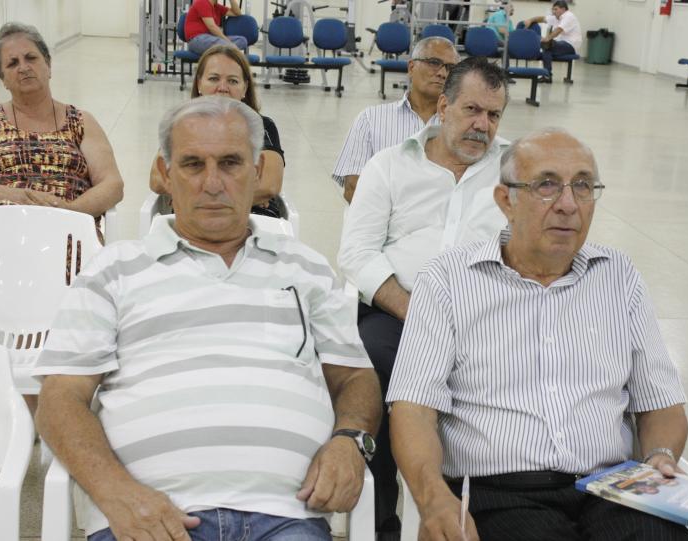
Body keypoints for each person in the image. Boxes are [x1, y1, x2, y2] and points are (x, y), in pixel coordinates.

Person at [34, 96, 383, 541]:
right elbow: (60, 399)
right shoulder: (113, 269)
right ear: (165, 174)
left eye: (230, 163)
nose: (213, 183)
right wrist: (116, 493)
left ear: (257, 171)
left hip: (286, 515)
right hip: (152, 519)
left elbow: (354, 377)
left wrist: (351, 440)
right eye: (193, 164)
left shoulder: (306, 267)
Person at [387, 127, 688, 541]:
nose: (569, 205)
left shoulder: (618, 276)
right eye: (546, 185)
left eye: (583, 186)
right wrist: (433, 498)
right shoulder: (448, 280)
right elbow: (414, 410)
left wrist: (660, 455)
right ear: (505, 201)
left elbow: (662, 404)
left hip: (612, 489)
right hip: (499, 493)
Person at [337, 56, 510, 541]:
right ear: (443, 107)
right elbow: (357, 253)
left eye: (494, 115)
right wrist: (416, 312)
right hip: (399, 310)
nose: (482, 125)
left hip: (489, 315)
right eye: (472, 110)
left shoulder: (515, 169)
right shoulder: (390, 165)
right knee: (372, 370)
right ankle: (381, 524)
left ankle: (486, 511)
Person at [0, 22, 123, 221]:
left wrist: (70, 212)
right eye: (12, 63)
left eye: (31, 58)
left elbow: (112, 185)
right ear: (3, 79)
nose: (23, 68)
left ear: (48, 65)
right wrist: (15, 196)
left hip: (67, 230)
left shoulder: (81, 121)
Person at [149, 44, 285, 218]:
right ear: (199, 83)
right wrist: (248, 194)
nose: (222, 87)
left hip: (254, 219)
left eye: (232, 81)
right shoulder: (182, 125)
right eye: (214, 79)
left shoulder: (262, 125)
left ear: (244, 88)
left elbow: (269, 184)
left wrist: (188, 194)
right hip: (194, 222)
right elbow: (157, 179)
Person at [331, 37, 459, 202]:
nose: (442, 73)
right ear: (411, 67)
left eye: (450, 68)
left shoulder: (461, 127)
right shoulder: (371, 120)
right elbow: (353, 188)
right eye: (434, 63)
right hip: (380, 218)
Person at [524, 0, 582, 83]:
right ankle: (547, 75)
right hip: (560, 43)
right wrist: (530, 20)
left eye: (556, 9)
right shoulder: (556, 17)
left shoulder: (569, 16)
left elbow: (558, 30)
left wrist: (547, 38)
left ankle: (547, 75)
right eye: (553, 9)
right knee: (547, 48)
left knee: (547, 45)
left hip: (571, 45)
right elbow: (542, 18)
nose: (553, 11)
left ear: (563, 9)